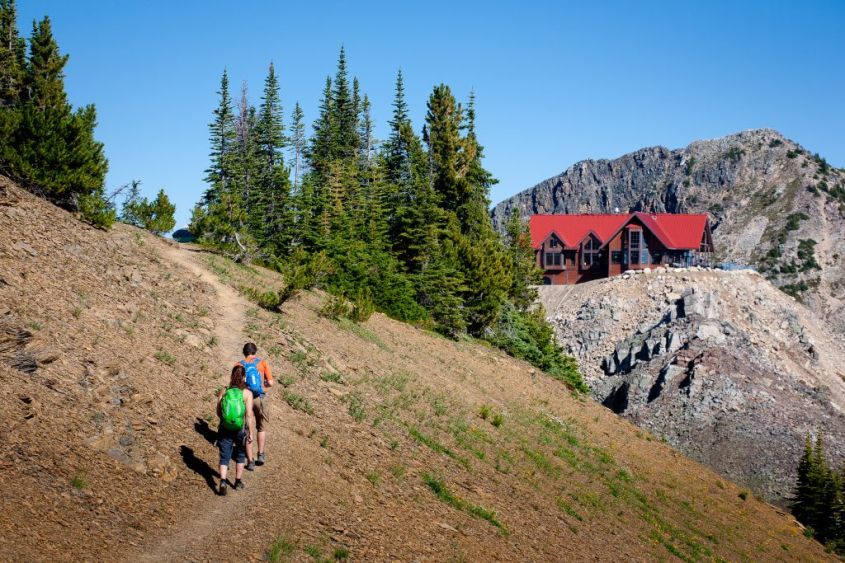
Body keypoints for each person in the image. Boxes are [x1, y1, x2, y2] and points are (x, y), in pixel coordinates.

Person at [216, 364, 254, 495]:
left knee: (224, 455)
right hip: (240, 428)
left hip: (225, 427)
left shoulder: (225, 390)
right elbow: (249, 414)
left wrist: (224, 421)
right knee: (240, 454)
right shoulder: (247, 393)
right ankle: (237, 481)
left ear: (232, 376)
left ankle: (222, 481)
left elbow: (218, 411)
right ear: (244, 377)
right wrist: (250, 433)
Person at [239, 342, 273, 470]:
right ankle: (261, 454)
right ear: (255, 352)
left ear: (244, 352)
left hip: (246, 397)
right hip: (260, 397)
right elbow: (270, 382)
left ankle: (250, 460)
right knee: (261, 426)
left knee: (248, 428)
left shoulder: (239, 364)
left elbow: (235, 384)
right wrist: (262, 386)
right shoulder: (262, 363)